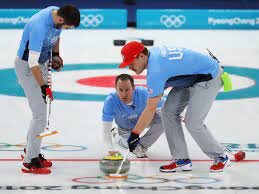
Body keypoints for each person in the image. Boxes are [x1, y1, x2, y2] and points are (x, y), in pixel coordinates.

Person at [118, 41, 231, 173]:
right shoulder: (153, 56)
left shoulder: (156, 71)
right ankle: (181, 159)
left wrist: (134, 134)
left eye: (131, 63)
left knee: (193, 122)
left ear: (142, 57)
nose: (130, 67)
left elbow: (150, 108)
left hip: (208, 77)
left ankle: (221, 157)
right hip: (190, 78)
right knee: (168, 113)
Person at [14, 5, 80, 174]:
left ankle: (31, 152)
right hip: (28, 68)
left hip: (40, 64)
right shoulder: (39, 26)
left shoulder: (58, 13)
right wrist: (43, 86)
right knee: (40, 115)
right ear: (60, 19)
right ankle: (30, 161)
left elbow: (56, 35)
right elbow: (32, 63)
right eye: (65, 26)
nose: (63, 29)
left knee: (41, 115)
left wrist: (56, 54)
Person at [102, 74, 164, 158]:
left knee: (165, 120)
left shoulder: (143, 93)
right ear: (115, 89)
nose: (124, 94)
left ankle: (142, 145)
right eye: (120, 90)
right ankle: (116, 134)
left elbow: (164, 107)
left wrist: (178, 115)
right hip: (126, 128)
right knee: (131, 145)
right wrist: (110, 150)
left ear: (133, 88)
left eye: (127, 90)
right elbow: (105, 130)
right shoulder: (110, 101)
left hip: (145, 121)